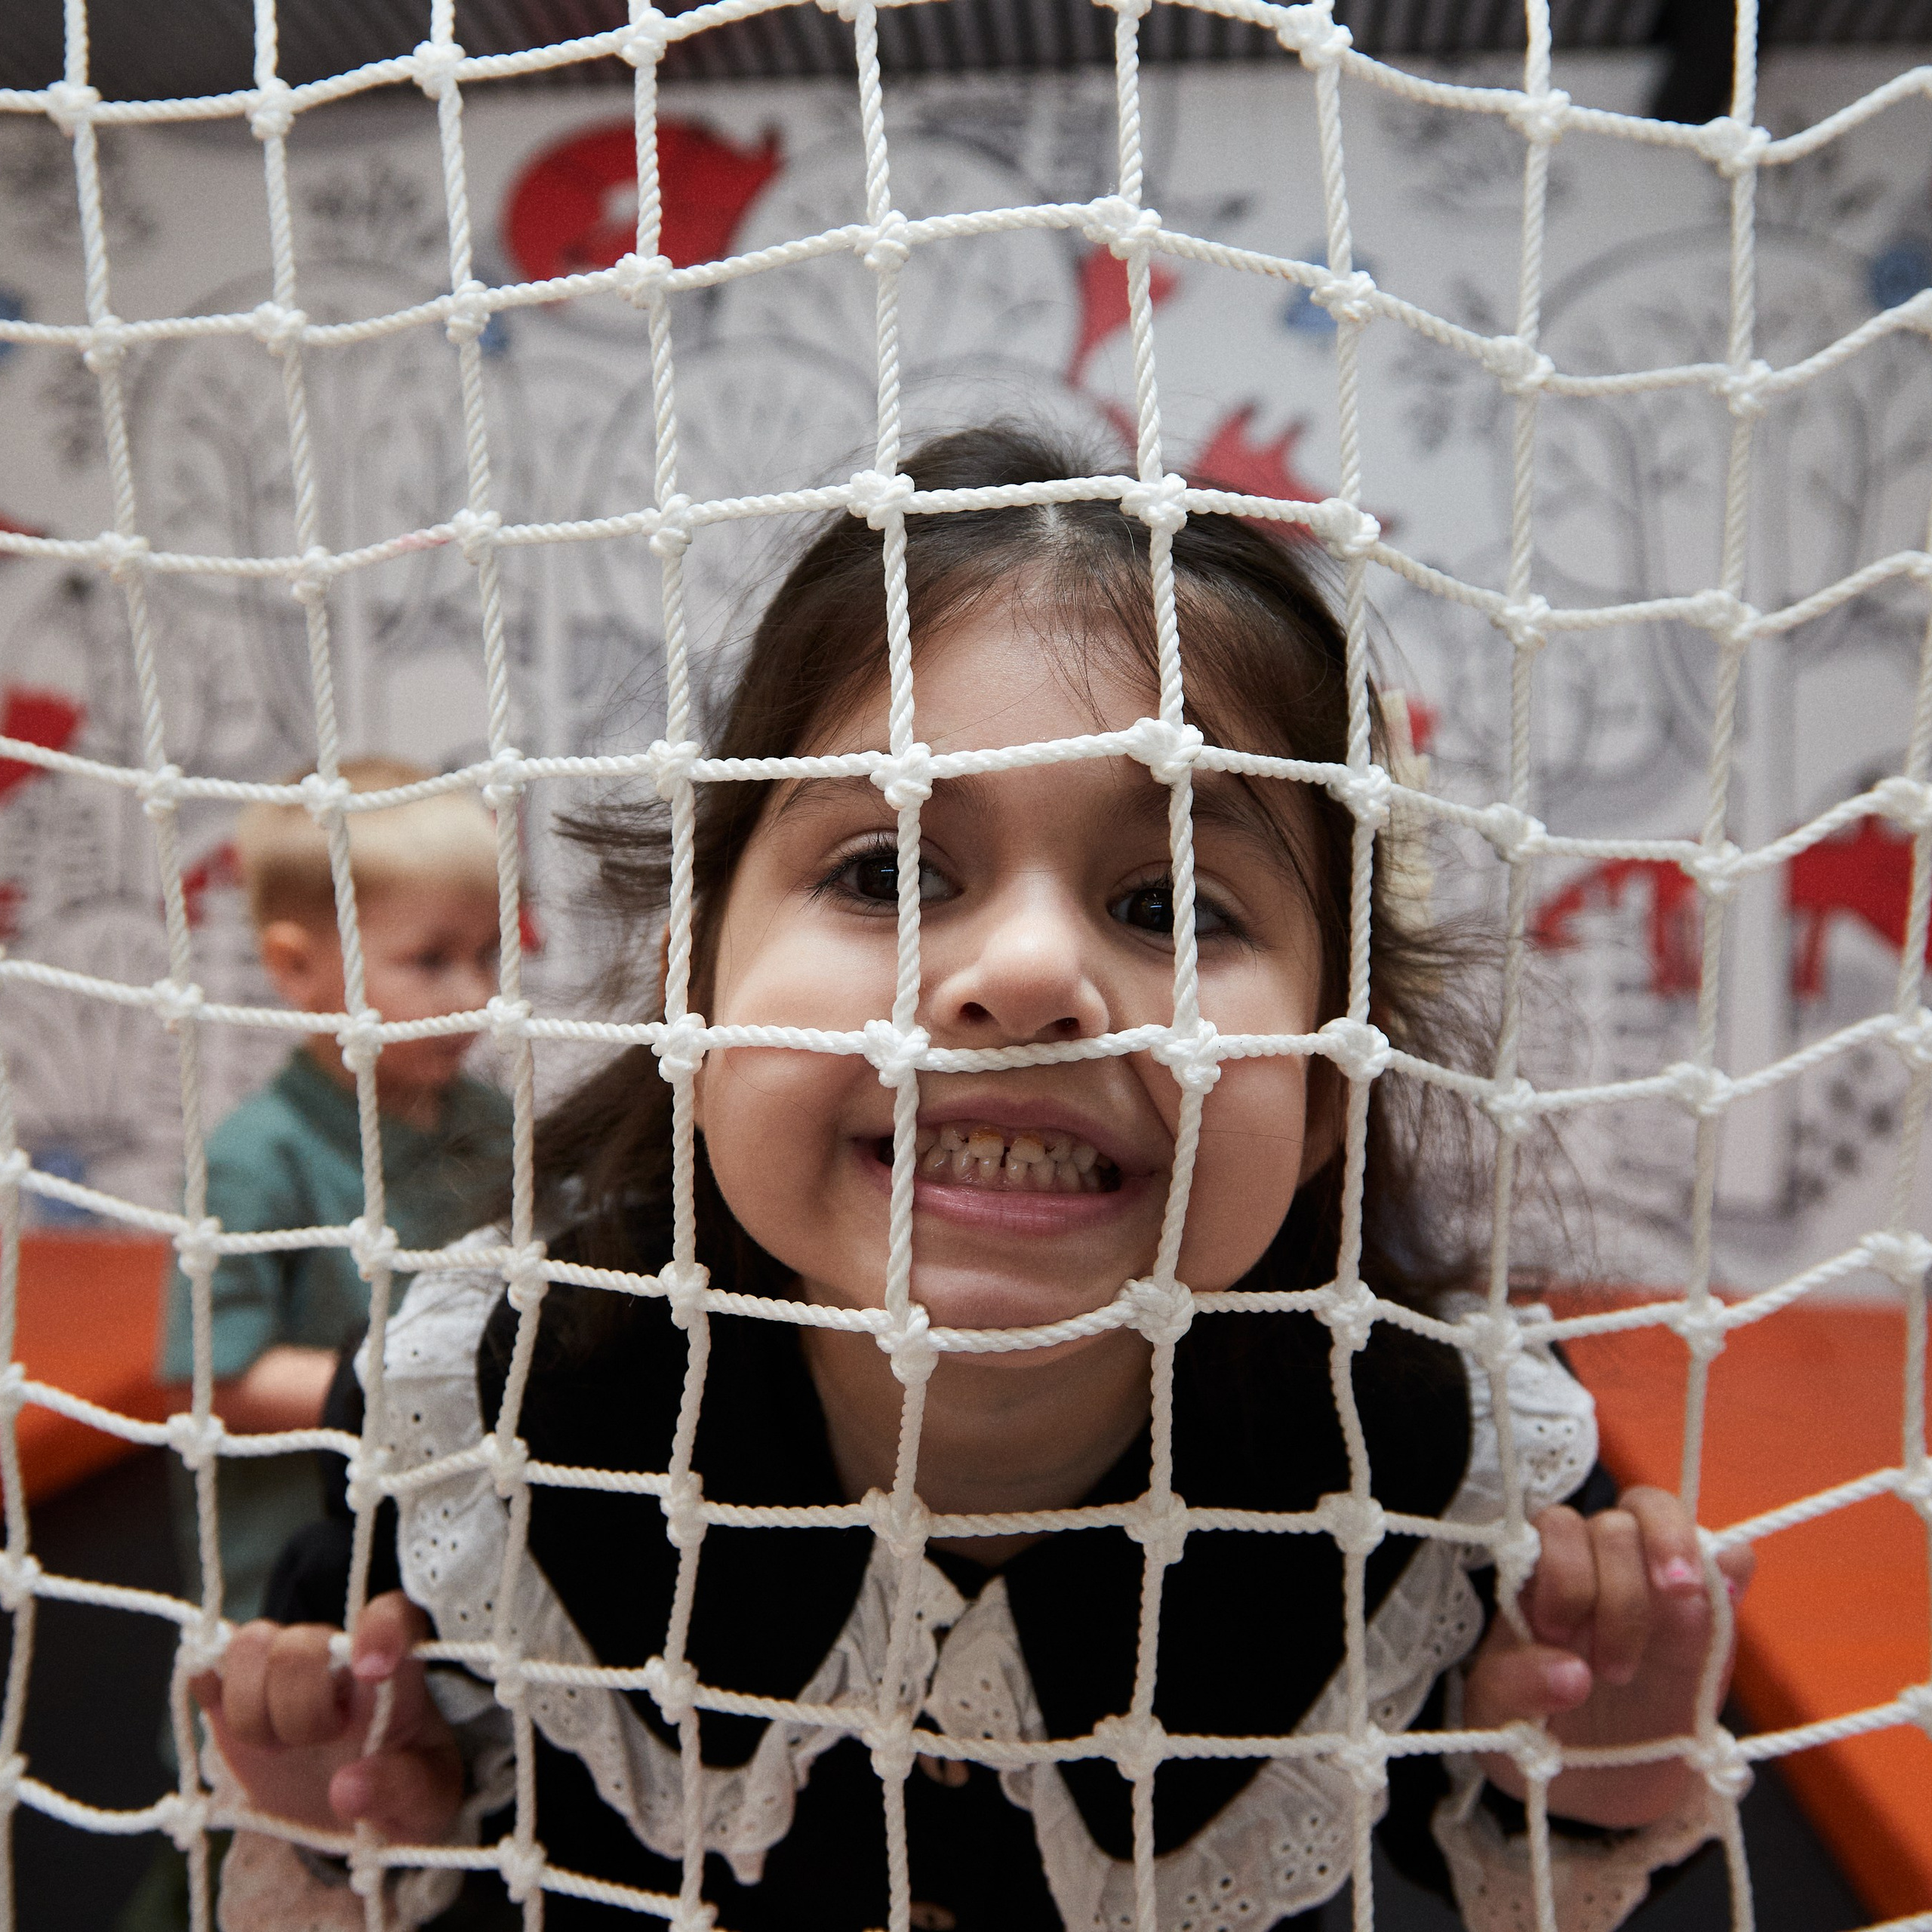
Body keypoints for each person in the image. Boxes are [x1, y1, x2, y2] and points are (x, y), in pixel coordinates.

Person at [190, 429, 1752, 1932]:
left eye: (1170, 902)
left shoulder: (1430, 1453)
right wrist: (358, 1820)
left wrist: (1595, 1770)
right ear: (689, 1005)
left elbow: (1529, 1842)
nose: (1021, 973)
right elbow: (385, 1797)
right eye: (883, 871)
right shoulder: (496, 1399)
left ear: (1333, 1082)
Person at [158, 757, 514, 1626]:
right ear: (296, 967)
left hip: (455, 1567)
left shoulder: (490, 1121)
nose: (474, 997)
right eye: (429, 960)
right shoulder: (256, 1156)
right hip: (300, 1589)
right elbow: (213, 1380)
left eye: (488, 953)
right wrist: (415, 1383)